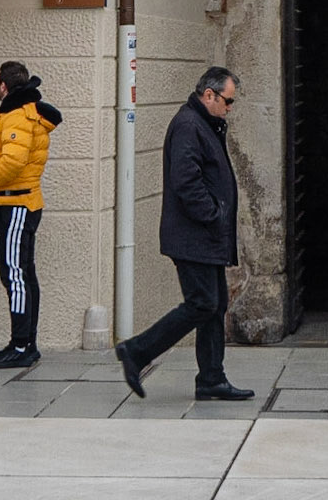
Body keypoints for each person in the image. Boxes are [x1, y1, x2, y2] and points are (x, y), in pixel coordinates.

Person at [114, 66, 254, 403]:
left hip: (204, 237)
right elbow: (186, 180)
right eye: (228, 101)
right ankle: (136, 350)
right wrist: (212, 215)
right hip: (194, 236)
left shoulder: (203, 123)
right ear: (209, 95)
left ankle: (211, 378)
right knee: (203, 302)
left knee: (215, 303)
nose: (230, 108)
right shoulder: (189, 125)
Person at [0, 58, 62, 370]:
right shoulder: (23, 114)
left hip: (15, 204)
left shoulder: (16, 118)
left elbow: (13, 162)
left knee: (15, 274)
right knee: (22, 273)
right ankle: (25, 343)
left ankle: (21, 345)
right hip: (21, 203)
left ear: (3, 84)